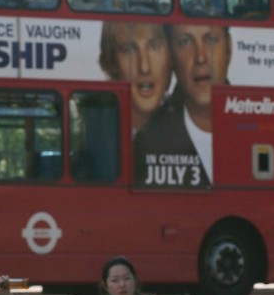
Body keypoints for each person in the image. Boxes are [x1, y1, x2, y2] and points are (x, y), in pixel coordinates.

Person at [133, 22, 231, 189]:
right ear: (171, 58)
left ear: (229, 50)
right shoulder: (145, 143)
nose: (201, 57)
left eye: (211, 40)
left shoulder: (257, 121)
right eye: (185, 42)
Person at [98, 21, 173, 136]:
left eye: (154, 46)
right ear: (112, 64)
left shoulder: (191, 123)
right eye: (129, 50)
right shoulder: (98, 128)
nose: (144, 67)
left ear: (171, 58)